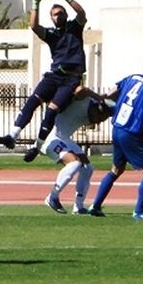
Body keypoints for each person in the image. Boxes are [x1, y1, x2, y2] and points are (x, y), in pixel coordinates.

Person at [0, 0, 87, 163]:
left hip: (71, 78)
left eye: (61, 13)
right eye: (55, 14)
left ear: (66, 15)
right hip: (54, 75)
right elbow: (34, 26)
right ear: (51, 18)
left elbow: (82, 13)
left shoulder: (74, 28)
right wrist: (36, 1)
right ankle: (12, 135)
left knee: (51, 110)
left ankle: (37, 146)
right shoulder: (51, 34)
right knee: (33, 100)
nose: (58, 16)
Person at [87, 56, 143, 220]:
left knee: (116, 169)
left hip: (117, 128)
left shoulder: (132, 78)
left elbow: (112, 91)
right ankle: (139, 211)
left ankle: (95, 206)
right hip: (132, 131)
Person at [41, 87, 112, 215]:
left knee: (87, 168)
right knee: (74, 163)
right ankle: (52, 197)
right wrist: (99, 97)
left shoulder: (92, 114)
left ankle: (78, 207)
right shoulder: (84, 101)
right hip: (50, 138)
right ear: (96, 108)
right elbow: (80, 89)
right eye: (100, 117)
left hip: (64, 139)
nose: (98, 122)